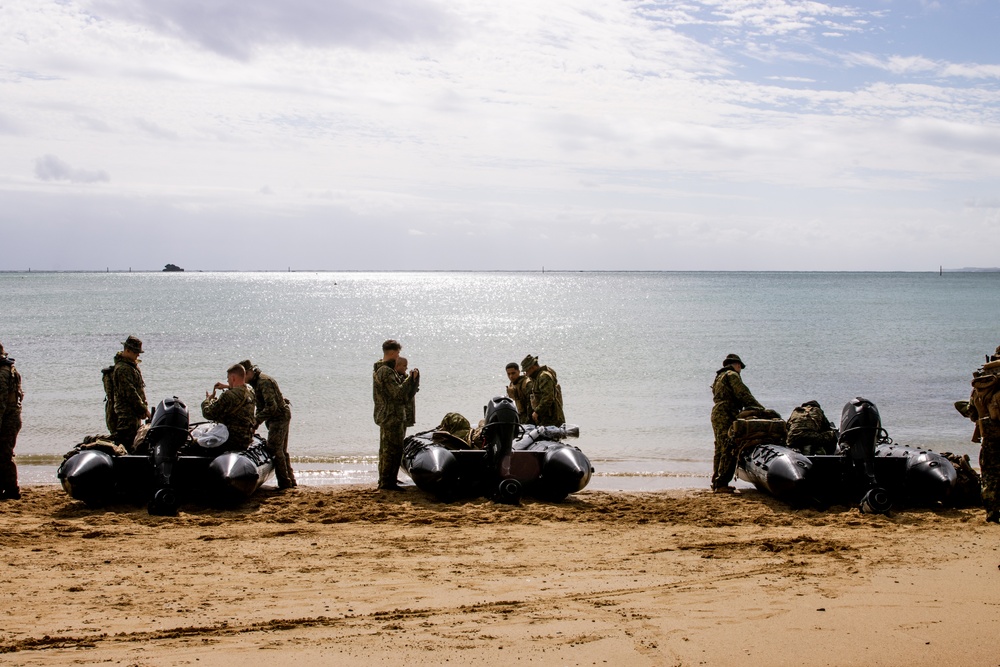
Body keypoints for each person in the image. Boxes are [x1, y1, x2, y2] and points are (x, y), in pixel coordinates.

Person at [710, 353, 763, 493]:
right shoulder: (732, 375)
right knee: (729, 446)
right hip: (727, 412)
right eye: (740, 367)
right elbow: (743, 393)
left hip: (717, 412)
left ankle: (716, 481)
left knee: (720, 447)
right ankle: (721, 483)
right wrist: (759, 409)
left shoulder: (719, 377)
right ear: (738, 365)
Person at [959, 346, 1000, 523]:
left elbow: (972, 413)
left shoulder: (981, 384)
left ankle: (991, 513)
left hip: (990, 437)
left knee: (989, 475)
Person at [241, 360, 296, 489]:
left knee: (275, 449)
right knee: (281, 450)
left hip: (279, 417)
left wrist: (256, 421)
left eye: (243, 375)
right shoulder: (256, 383)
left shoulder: (264, 382)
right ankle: (290, 481)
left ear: (249, 372)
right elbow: (261, 405)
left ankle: (284, 483)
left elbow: (272, 407)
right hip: (275, 417)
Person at [373, 340, 418, 491]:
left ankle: (389, 479)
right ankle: (387, 482)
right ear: (392, 353)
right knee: (390, 450)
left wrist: (412, 381)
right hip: (391, 416)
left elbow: (402, 392)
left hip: (393, 415)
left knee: (392, 449)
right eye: (397, 353)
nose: (398, 356)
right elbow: (398, 393)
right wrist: (409, 379)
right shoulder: (385, 371)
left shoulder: (386, 370)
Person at [107, 336, 150, 451]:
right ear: (127, 351)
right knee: (126, 445)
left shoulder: (130, 366)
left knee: (132, 444)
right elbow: (131, 394)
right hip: (126, 416)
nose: (138, 355)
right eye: (135, 352)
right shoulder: (123, 369)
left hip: (132, 414)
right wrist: (144, 410)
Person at [201, 363, 256, 451]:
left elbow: (208, 413)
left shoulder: (228, 395)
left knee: (193, 445)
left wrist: (207, 400)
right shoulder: (251, 391)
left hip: (231, 440)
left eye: (228, 378)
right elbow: (239, 392)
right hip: (246, 439)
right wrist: (227, 387)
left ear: (233, 378)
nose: (227, 381)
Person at [0, 342, 24, 500]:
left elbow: (0, 401)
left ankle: (12, 490)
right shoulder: (10, 369)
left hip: (7, 418)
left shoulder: (2, 373)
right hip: (12, 417)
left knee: (4, 454)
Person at [521, 355, 565, 427]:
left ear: (532, 368)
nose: (526, 373)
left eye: (526, 370)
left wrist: (537, 411)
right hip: (546, 418)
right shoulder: (537, 377)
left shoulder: (544, 377)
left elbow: (548, 397)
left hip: (551, 419)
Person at [395, 356, 419, 428]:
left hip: (405, 415)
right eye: (404, 365)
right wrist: (410, 378)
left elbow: (413, 390)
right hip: (397, 417)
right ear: (397, 366)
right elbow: (401, 390)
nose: (406, 368)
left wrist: (414, 379)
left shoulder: (404, 376)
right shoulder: (394, 377)